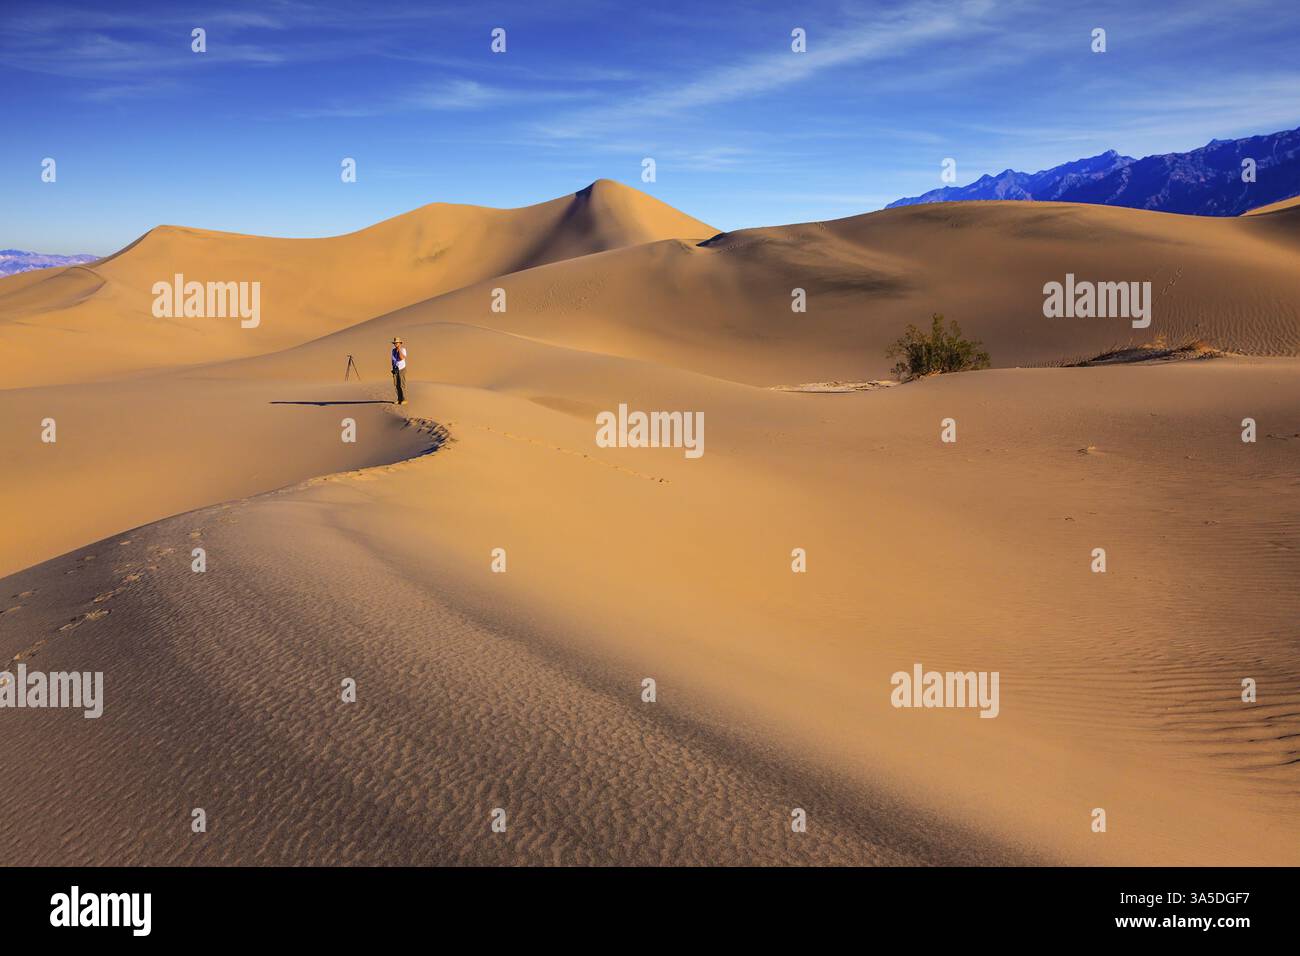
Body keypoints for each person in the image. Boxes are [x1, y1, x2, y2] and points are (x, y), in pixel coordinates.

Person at [390, 336, 408, 405]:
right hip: (395, 369)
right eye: (395, 343)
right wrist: (393, 368)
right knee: (396, 384)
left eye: (397, 343)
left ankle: (404, 399)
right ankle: (399, 399)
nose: (395, 344)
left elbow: (401, 358)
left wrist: (399, 350)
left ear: (400, 343)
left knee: (402, 384)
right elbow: (392, 359)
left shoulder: (403, 349)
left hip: (401, 369)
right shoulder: (393, 350)